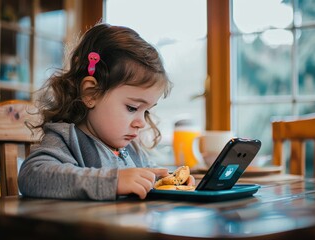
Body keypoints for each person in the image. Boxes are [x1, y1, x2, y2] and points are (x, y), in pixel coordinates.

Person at [18, 22, 194, 201]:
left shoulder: (131, 149)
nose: (140, 122)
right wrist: (113, 182)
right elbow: (33, 175)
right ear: (91, 93)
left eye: (146, 111)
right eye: (132, 108)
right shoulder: (68, 140)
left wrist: (169, 181)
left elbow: (146, 178)